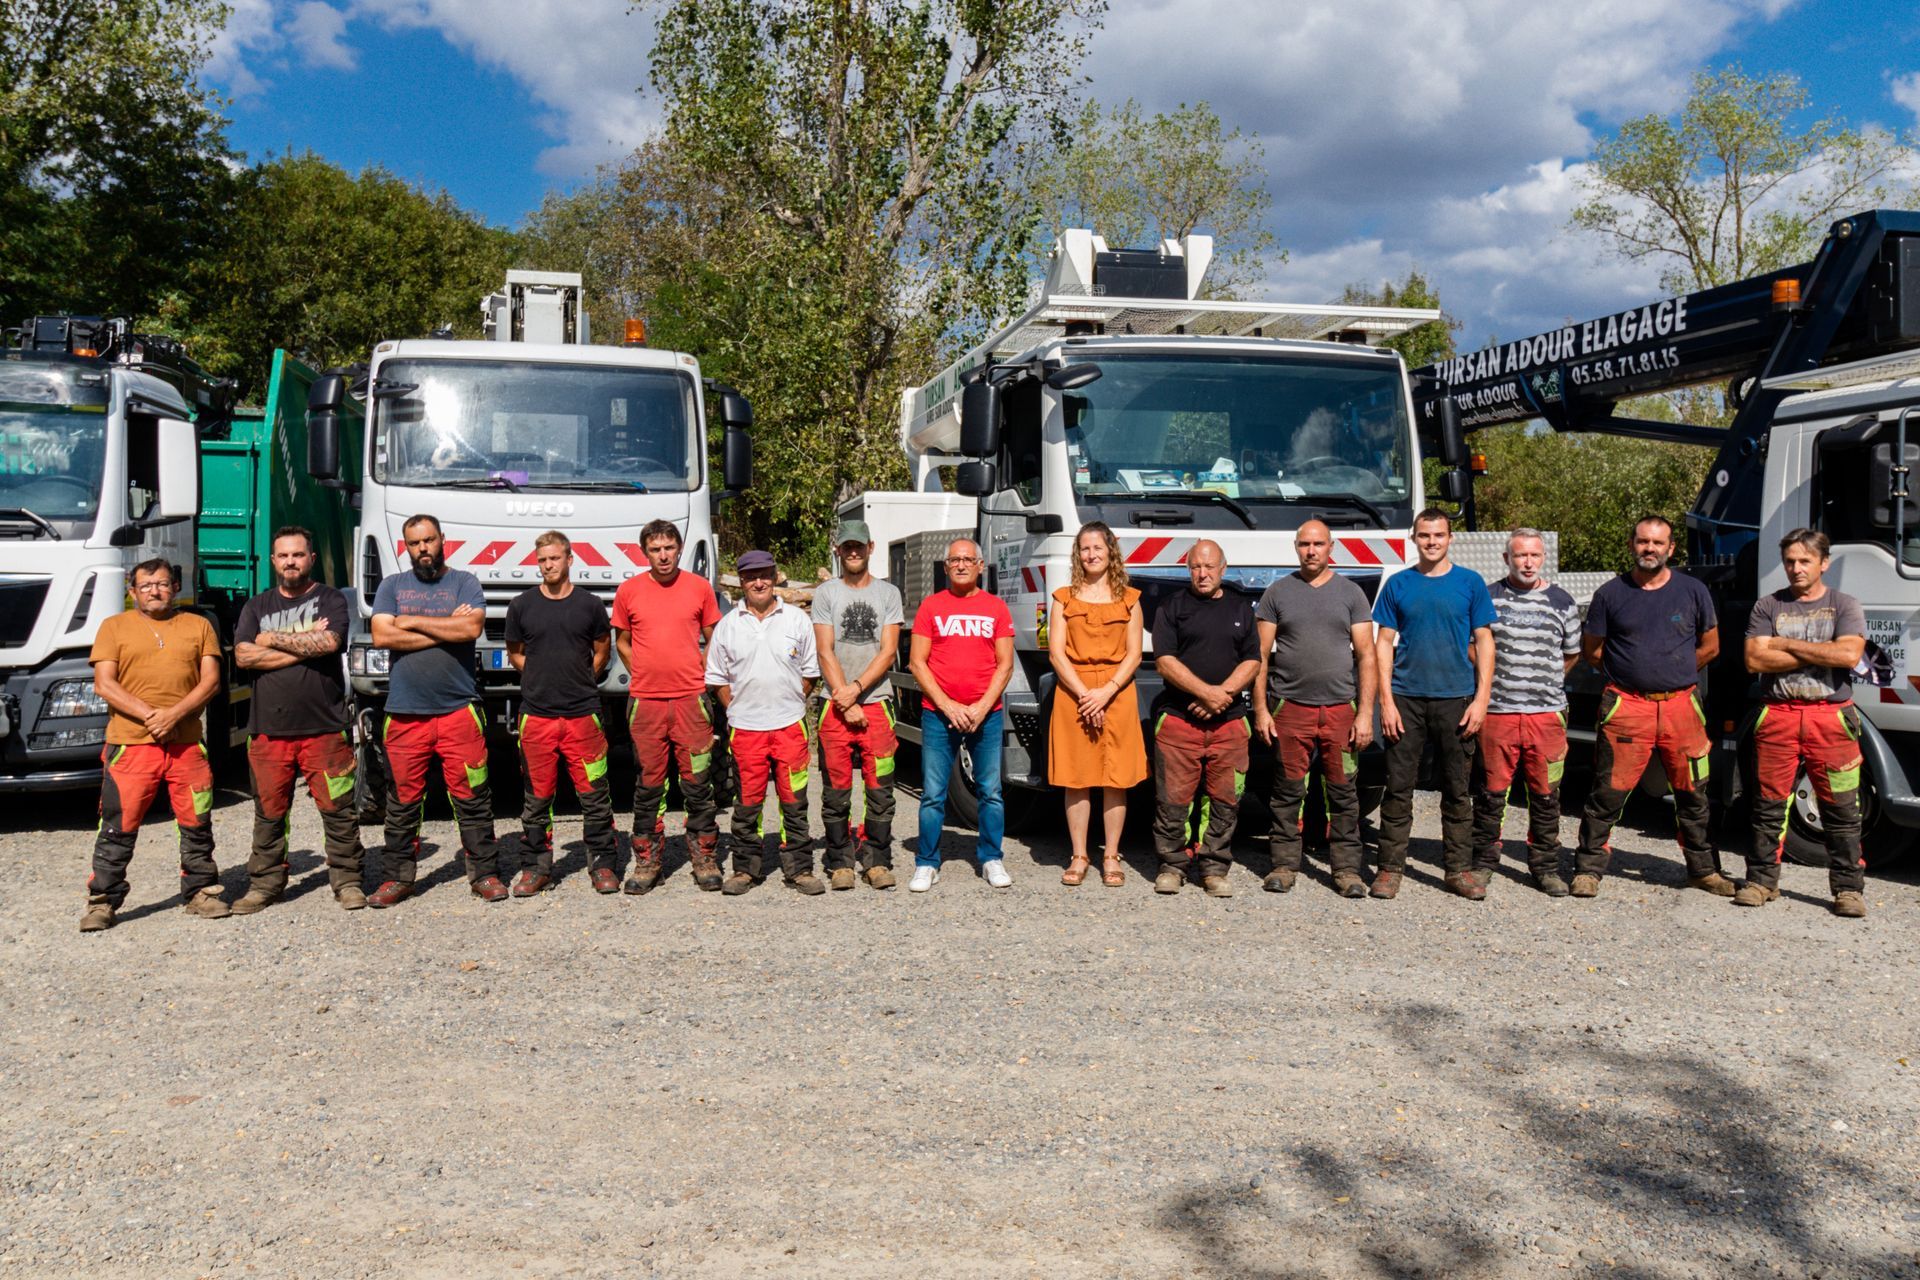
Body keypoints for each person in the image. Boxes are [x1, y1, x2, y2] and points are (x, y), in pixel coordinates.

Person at [1573, 515, 1731, 898]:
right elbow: (1593, 651)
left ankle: (1704, 871)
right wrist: (1634, 675)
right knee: (1607, 793)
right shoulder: (1610, 594)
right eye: (1643, 541)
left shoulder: (1693, 591)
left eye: (1658, 543)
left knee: (1693, 792)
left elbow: (1711, 646)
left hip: (1681, 707)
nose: (1650, 549)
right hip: (1628, 707)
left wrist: (1674, 672)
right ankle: (1588, 870)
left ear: (1671, 548)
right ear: (1632, 544)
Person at [80, 559, 227, 931]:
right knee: (118, 826)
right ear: (132, 592)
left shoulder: (198, 625)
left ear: (175, 587)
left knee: (196, 822)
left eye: (162, 584)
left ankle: (202, 892)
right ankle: (102, 901)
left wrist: (173, 716)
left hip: (186, 745)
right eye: (145, 586)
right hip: (131, 745)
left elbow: (210, 682)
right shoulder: (114, 626)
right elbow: (104, 684)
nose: (154, 591)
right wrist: (151, 716)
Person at [368, 513, 503, 906]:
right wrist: (445, 627)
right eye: (414, 543)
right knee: (402, 802)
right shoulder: (392, 586)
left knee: (473, 797)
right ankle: (397, 879)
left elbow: (470, 629)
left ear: (442, 539)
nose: (422, 548)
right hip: (405, 713)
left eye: (428, 540)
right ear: (406, 547)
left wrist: (409, 622)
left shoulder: (464, 582)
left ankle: (485, 875)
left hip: (458, 711)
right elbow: (381, 635)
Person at [232, 527, 365, 914]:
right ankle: (265, 884)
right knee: (269, 813)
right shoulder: (256, 606)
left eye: (298, 554)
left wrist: (270, 639)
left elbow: (331, 643)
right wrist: (306, 644)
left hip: (325, 727)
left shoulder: (331, 599)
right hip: (269, 732)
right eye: (284, 556)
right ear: (274, 561)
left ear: (311, 558)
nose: (291, 562)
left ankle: (348, 881)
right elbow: (243, 656)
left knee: (338, 811)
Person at [1740, 529, 1869, 917]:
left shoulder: (1844, 605)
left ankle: (1848, 890)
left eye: (1805, 561)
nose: (1796, 568)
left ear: (1823, 563)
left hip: (1831, 718)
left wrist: (1784, 644)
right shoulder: (1768, 606)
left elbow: (1848, 655)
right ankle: (1761, 882)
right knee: (1768, 805)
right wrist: (1822, 651)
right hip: (1778, 716)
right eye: (1790, 561)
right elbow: (1755, 660)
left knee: (1842, 809)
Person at [1371, 508, 1495, 899]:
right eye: (1424, 535)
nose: (1432, 542)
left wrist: (1481, 699)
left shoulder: (1470, 583)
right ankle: (1390, 869)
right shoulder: (1399, 584)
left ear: (1450, 538)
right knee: (1398, 788)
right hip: (1406, 699)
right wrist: (1386, 701)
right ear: (1414, 538)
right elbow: (1383, 643)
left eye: (1439, 535)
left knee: (1457, 791)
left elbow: (1485, 641)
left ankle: (1458, 870)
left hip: (1457, 699)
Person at [1253, 520, 1377, 898]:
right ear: (1296, 547)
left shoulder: (1351, 593)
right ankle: (1284, 866)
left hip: (1341, 710)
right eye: (1305, 544)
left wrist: (1365, 713)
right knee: (1287, 792)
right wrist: (1261, 710)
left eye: (1318, 544)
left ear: (1330, 547)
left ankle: (1346, 871)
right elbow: (1260, 656)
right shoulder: (1277, 593)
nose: (1311, 551)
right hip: (1290, 709)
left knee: (1344, 794)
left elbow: (1367, 655)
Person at [610, 518, 723, 893]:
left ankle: (705, 858)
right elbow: (622, 641)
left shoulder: (699, 588)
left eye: (669, 548)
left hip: (691, 701)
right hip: (646, 704)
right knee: (648, 786)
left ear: (679, 549)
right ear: (645, 552)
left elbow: (715, 637)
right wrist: (641, 672)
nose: (663, 556)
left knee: (698, 784)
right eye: (655, 549)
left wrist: (701, 673)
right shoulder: (629, 591)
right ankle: (647, 861)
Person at [1469, 529, 1581, 897]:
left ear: (1543, 557)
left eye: (1534, 555)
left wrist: (1544, 682)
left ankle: (1545, 868)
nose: (1528, 563)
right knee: (1491, 793)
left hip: (1546, 715)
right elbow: (1473, 647)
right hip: (1497, 713)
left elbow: (1571, 653)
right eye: (1520, 556)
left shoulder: (1562, 601)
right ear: (1507, 559)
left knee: (1546, 795)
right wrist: (1491, 683)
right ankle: (1483, 863)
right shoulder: (1488, 597)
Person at [506, 530, 616, 897]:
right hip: (537, 717)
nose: (548, 565)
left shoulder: (590, 605)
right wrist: (540, 677)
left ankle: (602, 864)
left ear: (570, 560)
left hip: (583, 715)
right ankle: (536, 868)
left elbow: (602, 649)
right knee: (536, 799)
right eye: (542, 560)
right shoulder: (521, 606)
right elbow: (515, 652)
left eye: (554, 558)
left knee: (594, 796)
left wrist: (581, 678)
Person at [705, 550, 821, 895]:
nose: (759, 582)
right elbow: (717, 679)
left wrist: (788, 701)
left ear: (774, 577)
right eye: (751, 576)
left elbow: (810, 674)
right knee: (747, 804)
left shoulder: (796, 620)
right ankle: (745, 870)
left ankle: (799, 869)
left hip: (789, 726)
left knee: (794, 801)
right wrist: (739, 709)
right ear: (741, 582)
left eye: (765, 575)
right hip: (746, 730)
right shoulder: (728, 626)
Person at [906, 538, 1015, 893]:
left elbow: (1005, 665)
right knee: (933, 793)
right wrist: (948, 706)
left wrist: (981, 708)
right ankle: (927, 862)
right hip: (939, 715)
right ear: (946, 566)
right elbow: (917, 663)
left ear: (980, 566)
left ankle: (991, 858)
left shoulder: (996, 608)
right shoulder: (931, 606)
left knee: (991, 791)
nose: (962, 565)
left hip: (987, 714)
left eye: (968, 559)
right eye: (955, 560)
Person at [1151, 538, 1258, 896]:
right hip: (1179, 721)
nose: (1203, 573)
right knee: (1173, 800)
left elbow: (1253, 660)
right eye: (1196, 566)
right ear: (1188, 569)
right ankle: (1172, 866)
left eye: (1210, 566)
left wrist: (1221, 695)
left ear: (1223, 569)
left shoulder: (1241, 608)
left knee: (1225, 800)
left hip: (1229, 722)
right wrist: (1205, 693)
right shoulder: (1172, 607)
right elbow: (1165, 661)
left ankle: (1214, 868)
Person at [1048, 522, 1148, 887]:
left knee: (1115, 777)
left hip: (1117, 693)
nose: (1091, 555)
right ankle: (1079, 855)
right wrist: (1085, 694)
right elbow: (1057, 654)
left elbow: (1135, 654)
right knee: (1076, 777)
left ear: (1110, 553)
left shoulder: (1130, 599)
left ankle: (1111, 855)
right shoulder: (1063, 598)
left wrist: (1105, 692)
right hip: (1073, 692)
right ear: (1078, 554)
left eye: (1097, 548)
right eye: (1085, 549)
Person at [812, 519, 903, 890]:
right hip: (834, 706)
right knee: (836, 790)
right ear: (838, 550)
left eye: (859, 546)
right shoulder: (826, 593)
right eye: (847, 546)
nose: (853, 552)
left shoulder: (888, 593)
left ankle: (876, 861)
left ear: (870, 548)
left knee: (880, 789)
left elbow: (889, 650)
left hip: (877, 703)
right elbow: (824, 650)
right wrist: (844, 697)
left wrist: (858, 689)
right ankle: (840, 862)